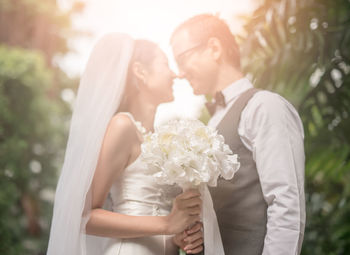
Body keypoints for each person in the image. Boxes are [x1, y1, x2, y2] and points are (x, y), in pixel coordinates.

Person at [47, 33, 203, 255]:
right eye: (165, 64)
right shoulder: (122, 126)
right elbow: (84, 215)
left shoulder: (158, 139)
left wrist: (177, 235)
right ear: (140, 71)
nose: (175, 74)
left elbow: (157, 209)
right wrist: (167, 224)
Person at [171, 14, 305, 255]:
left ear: (214, 48)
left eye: (182, 59)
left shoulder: (265, 106)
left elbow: (286, 204)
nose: (179, 73)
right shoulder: (211, 123)